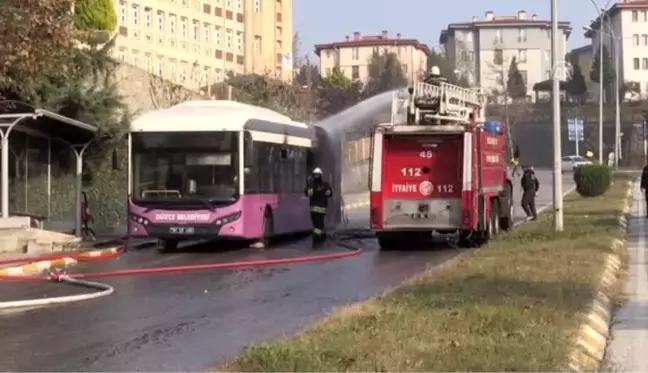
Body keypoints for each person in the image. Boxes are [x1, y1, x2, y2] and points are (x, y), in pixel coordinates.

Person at [305, 167, 332, 248]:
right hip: (321, 210)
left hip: (314, 210)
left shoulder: (311, 185)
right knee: (319, 226)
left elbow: (307, 193)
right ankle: (318, 239)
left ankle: (317, 239)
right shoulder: (325, 185)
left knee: (317, 226)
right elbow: (329, 193)